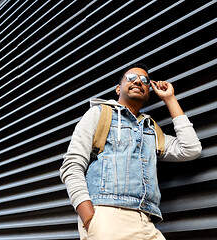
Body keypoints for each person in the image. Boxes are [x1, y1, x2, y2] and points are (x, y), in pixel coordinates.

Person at [60, 63, 202, 240]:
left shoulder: (151, 130)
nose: (137, 81)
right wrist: (90, 218)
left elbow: (191, 148)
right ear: (118, 89)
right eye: (130, 77)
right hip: (108, 217)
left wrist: (170, 99)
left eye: (144, 80)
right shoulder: (99, 113)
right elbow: (71, 166)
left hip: (147, 221)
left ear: (149, 93)